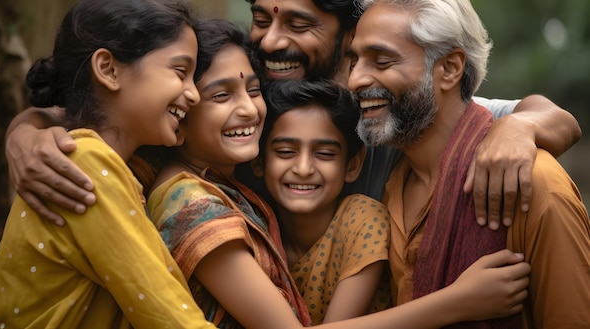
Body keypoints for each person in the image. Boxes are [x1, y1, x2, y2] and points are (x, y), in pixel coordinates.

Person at [2, 0, 581, 232]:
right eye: (261, 18)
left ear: (355, 28)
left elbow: (550, 116)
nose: (272, 41)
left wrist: (521, 128)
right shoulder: (227, 107)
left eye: (299, 24)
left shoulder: (390, 109)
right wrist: (24, 134)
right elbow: (93, 110)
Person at [145, 18, 530, 329]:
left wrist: (521, 124)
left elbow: (510, 112)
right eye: (221, 95)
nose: (248, 109)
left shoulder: (225, 184)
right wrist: (457, 302)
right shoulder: (189, 202)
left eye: (253, 89)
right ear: (183, 105)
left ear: (352, 164)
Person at [347, 0, 590, 329]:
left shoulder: (536, 186)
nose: (355, 79)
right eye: (354, 61)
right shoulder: (389, 185)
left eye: (381, 61)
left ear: (449, 69)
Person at [0, 0, 217, 328]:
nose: (193, 94)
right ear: (108, 69)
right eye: (180, 72)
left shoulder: (109, 161)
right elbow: (174, 321)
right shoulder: (86, 161)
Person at [253, 79, 391, 324]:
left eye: (324, 154)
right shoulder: (254, 229)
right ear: (259, 161)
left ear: (353, 165)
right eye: (285, 152)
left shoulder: (361, 220)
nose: (304, 169)